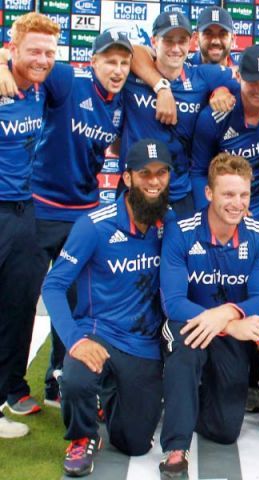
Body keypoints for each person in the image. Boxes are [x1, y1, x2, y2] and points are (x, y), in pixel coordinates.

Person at [0, 29, 134, 411]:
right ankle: (12, 389)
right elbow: (26, 60)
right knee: (20, 301)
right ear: (91, 62)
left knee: (75, 303)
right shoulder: (67, 79)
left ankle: (58, 379)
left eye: (124, 62)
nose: (118, 68)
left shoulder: (123, 98)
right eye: (109, 60)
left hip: (84, 214)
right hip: (39, 208)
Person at [42, 139, 172, 477]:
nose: (154, 182)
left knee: (134, 442)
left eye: (162, 174)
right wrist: (74, 340)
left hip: (143, 345)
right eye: (145, 174)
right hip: (97, 333)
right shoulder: (94, 226)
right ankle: (82, 436)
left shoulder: (170, 224)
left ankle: (111, 395)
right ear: (127, 178)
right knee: (76, 380)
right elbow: (53, 285)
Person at [158, 153, 259, 479]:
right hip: (189, 324)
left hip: (229, 329)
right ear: (209, 194)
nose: (236, 203)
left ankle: (189, 399)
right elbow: (174, 303)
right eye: (228, 194)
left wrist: (225, 316)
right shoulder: (181, 232)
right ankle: (176, 448)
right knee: (186, 343)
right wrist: (224, 321)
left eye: (243, 195)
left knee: (225, 431)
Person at [0, 12, 59, 438]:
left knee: (19, 305)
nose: (41, 59)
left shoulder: (41, 86)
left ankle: (10, 389)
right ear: (13, 49)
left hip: (24, 210)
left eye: (48, 52)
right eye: (33, 51)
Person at [120, 11, 235, 218]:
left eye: (181, 40)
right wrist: (161, 87)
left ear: (190, 42)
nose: (175, 48)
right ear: (154, 41)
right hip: (135, 190)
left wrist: (221, 90)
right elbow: (131, 50)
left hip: (180, 193)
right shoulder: (132, 76)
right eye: (168, 40)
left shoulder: (201, 75)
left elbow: (251, 74)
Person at [191, 45, 259, 247]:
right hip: (226, 212)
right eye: (252, 81)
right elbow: (198, 171)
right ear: (239, 77)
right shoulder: (214, 116)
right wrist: (206, 213)